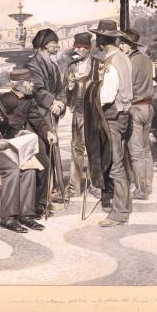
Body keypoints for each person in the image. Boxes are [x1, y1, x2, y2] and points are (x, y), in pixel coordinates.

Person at [0, 68, 57, 233]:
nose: (1, 119)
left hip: (0, 148)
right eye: (0, 116)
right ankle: (8, 217)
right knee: (13, 168)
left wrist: (19, 133)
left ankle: (27, 214)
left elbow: (9, 128)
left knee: (29, 166)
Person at [89, 20, 133, 227]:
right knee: (120, 161)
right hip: (124, 115)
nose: (96, 40)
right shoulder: (124, 57)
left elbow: (106, 95)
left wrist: (92, 93)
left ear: (102, 39)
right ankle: (122, 205)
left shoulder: (111, 62)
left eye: (98, 37)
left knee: (115, 165)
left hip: (113, 116)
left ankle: (119, 212)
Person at [25, 28, 66, 206]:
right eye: (53, 43)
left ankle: (52, 190)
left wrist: (61, 103)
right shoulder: (33, 65)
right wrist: (53, 103)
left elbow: (60, 89)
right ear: (44, 45)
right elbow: (37, 90)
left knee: (51, 151)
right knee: (40, 154)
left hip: (51, 114)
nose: (57, 46)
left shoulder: (53, 65)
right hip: (36, 117)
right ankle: (41, 196)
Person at [62, 32, 100, 199]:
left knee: (93, 148)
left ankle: (95, 185)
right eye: (75, 47)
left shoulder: (98, 64)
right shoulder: (71, 66)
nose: (76, 50)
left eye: (80, 48)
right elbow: (65, 93)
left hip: (93, 112)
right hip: (78, 111)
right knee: (76, 148)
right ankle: (74, 186)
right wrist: (69, 87)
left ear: (88, 49)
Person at [118, 28, 154, 200]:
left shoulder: (128, 61)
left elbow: (126, 86)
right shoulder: (146, 59)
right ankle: (148, 185)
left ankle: (141, 190)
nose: (120, 46)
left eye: (122, 43)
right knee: (146, 150)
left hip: (135, 109)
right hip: (148, 108)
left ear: (129, 45)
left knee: (136, 152)